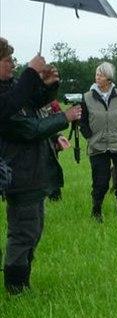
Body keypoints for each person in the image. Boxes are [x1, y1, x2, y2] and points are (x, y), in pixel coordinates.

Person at [0, 39, 82, 294]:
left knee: (33, 229)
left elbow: (32, 101)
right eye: (7, 60)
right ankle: (16, 287)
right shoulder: (5, 99)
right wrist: (64, 118)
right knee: (24, 231)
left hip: (32, 171)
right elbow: (29, 128)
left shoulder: (10, 89)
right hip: (19, 173)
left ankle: (22, 281)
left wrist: (48, 84)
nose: (13, 63)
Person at [79, 62, 117, 222]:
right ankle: (96, 211)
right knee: (100, 182)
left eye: (101, 75)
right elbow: (82, 122)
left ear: (109, 78)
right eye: (97, 74)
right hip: (98, 146)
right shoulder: (87, 97)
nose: (97, 77)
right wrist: (89, 137)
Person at [0, 37, 47, 120]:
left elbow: (35, 102)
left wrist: (48, 85)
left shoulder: (13, 84)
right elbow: (7, 105)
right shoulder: (17, 88)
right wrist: (31, 72)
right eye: (8, 60)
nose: (13, 65)